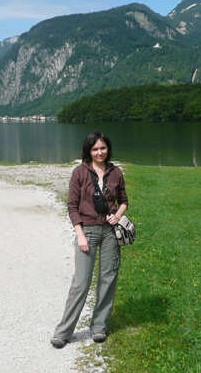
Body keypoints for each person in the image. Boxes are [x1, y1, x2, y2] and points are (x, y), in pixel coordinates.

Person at [50, 131, 129, 348]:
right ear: (89, 151)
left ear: (108, 149)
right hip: (88, 231)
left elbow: (124, 201)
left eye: (103, 148)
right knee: (81, 283)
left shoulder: (116, 173)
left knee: (108, 279)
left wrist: (118, 215)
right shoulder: (79, 172)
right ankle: (63, 331)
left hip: (110, 233)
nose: (99, 152)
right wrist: (80, 234)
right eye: (95, 149)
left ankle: (99, 326)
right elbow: (72, 206)